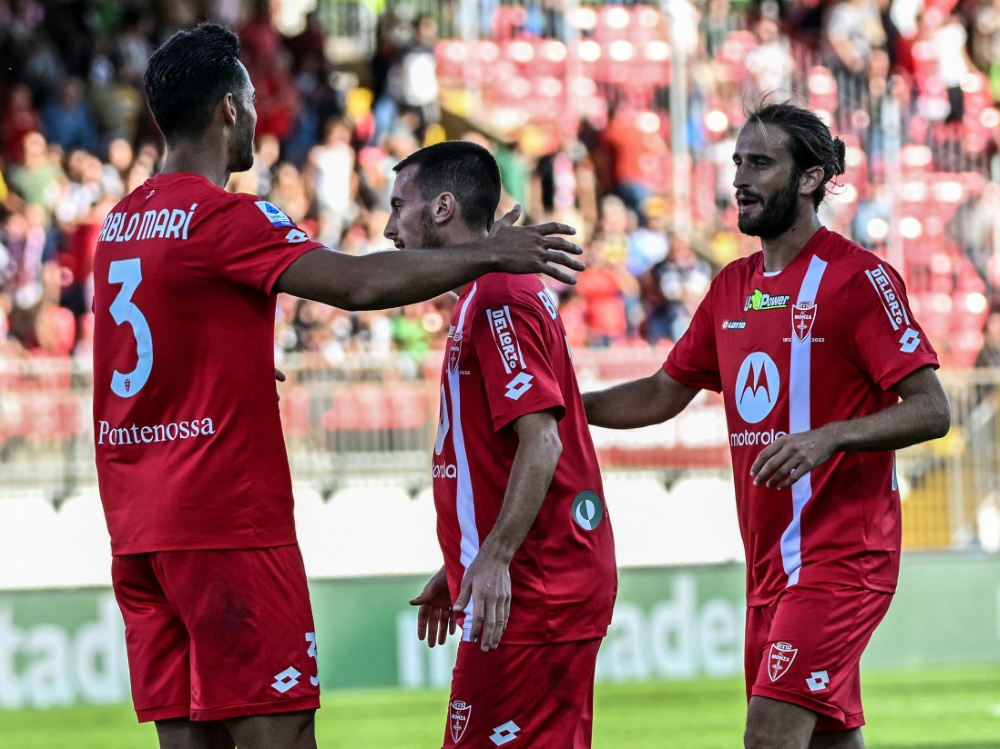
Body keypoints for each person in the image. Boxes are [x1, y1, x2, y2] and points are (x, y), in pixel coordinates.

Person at [91, 24, 584, 749]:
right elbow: (353, 283)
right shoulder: (227, 215)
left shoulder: (120, 225)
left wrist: (236, 365)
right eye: (253, 97)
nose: (258, 112)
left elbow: (147, 357)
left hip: (137, 531)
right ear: (229, 109)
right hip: (225, 522)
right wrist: (488, 252)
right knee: (280, 735)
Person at [582, 102, 950, 749]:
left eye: (760, 163)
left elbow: (932, 407)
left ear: (809, 179)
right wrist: (568, 407)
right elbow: (664, 391)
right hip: (769, 568)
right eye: (737, 164)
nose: (740, 180)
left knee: (770, 735)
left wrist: (828, 435)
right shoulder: (731, 286)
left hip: (842, 558)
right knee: (828, 739)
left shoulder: (860, 279)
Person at [390, 141, 616, 749]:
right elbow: (499, 450)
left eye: (398, 207)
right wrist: (462, 557)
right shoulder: (485, 295)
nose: (389, 228)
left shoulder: (497, 298)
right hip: (533, 580)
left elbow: (541, 441)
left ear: (442, 208)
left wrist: (493, 555)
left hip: (538, 589)